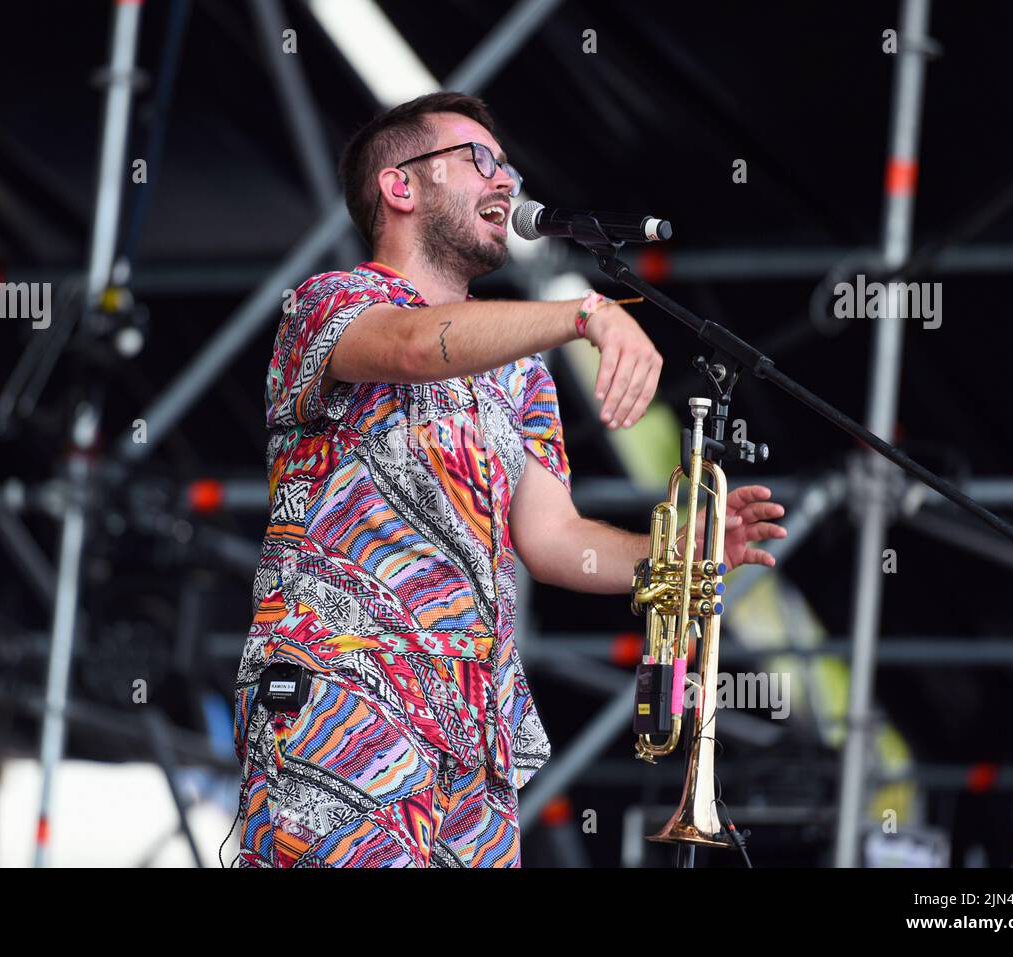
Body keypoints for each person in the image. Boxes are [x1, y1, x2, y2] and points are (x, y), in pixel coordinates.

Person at [230, 92, 787, 868]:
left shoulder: (518, 370)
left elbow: (555, 538)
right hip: (344, 686)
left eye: (509, 166)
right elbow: (415, 348)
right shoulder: (330, 303)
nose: (505, 181)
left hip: (475, 728)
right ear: (401, 186)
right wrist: (583, 313)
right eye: (478, 160)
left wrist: (680, 553)